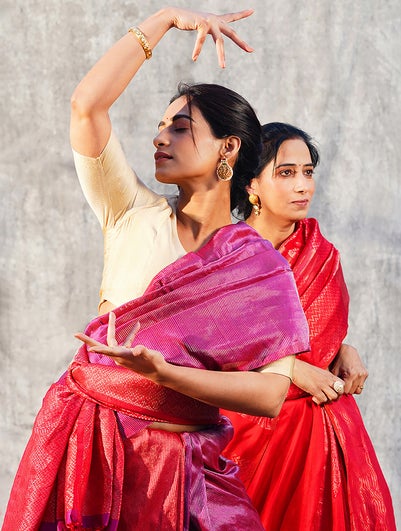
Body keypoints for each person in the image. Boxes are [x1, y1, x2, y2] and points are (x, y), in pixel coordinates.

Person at [2, 11, 319, 531]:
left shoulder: (258, 267)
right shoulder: (128, 210)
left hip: (192, 472)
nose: (160, 138)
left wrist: (166, 374)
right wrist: (165, 18)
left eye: (180, 127)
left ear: (229, 147)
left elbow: (268, 395)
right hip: (98, 453)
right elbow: (87, 106)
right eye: (159, 127)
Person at [224, 122, 396, 530]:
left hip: (328, 428)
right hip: (251, 433)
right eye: (286, 173)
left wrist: (343, 349)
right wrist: (291, 369)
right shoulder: (225, 256)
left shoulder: (322, 254)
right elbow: (210, 349)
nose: (303, 185)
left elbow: (317, 332)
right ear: (252, 185)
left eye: (308, 172)